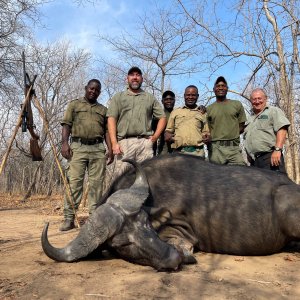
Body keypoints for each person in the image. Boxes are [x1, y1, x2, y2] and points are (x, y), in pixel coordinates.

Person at [60, 79, 113, 231]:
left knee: (97, 184)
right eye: (91, 88)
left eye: (97, 90)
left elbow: (107, 131)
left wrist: (109, 149)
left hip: (97, 148)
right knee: (75, 183)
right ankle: (69, 218)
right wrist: (64, 143)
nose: (93, 92)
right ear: (86, 88)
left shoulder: (103, 110)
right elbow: (66, 125)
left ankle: (94, 219)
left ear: (99, 93)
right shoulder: (74, 105)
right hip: (78, 147)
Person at [107, 66, 166, 179]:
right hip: (124, 144)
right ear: (127, 78)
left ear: (142, 79)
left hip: (144, 143)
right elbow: (111, 119)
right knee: (121, 180)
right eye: (132, 75)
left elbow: (162, 117)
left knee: (147, 179)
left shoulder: (150, 98)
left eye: (138, 75)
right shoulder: (118, 97)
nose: (135, 77)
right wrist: (114, 143)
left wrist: (155, 137)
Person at [244, 88, 290, 173]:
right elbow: (246, 138)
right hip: (254, 162)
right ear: (251, 101)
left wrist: (277, 150)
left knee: (277, 185)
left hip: (270, 157)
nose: (257, 101)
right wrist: (248, 154)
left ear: (265, 98)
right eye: (254, 99)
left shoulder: (273, 111)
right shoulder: (249, 119)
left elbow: (282, 129)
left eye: (259, 98)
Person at [205, 76, 246, 165]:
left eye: (223, 86)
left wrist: (230, 134)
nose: (220, 88)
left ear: (227, 88)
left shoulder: (237, 104)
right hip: (216, 150)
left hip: (234, 149)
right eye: (218, 86)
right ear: (214, 89)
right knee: (216, 177)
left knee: (241, 174)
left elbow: (241, 125)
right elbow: (207, 130)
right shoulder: (208, 109)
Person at [164, 85, 209, 157]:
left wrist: (207, 137)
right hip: (179, 153)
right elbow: (168, 131)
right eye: (188, 95)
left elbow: (206, 132)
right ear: (184, 96)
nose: (190, 97)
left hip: (198, 153)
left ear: (197, 96)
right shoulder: (175, 112)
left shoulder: (202, 113)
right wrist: (167, 135)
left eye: (193, 95)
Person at [152, 90, 176, 155]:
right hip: (163, 146)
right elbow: (154, 135)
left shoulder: (179, 114)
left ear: (174, 100)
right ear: (162, 101)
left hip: (177, 145)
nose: (169, 101)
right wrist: (153, 152)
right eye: (166, 99)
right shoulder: (158, 116)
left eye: (171, 99)